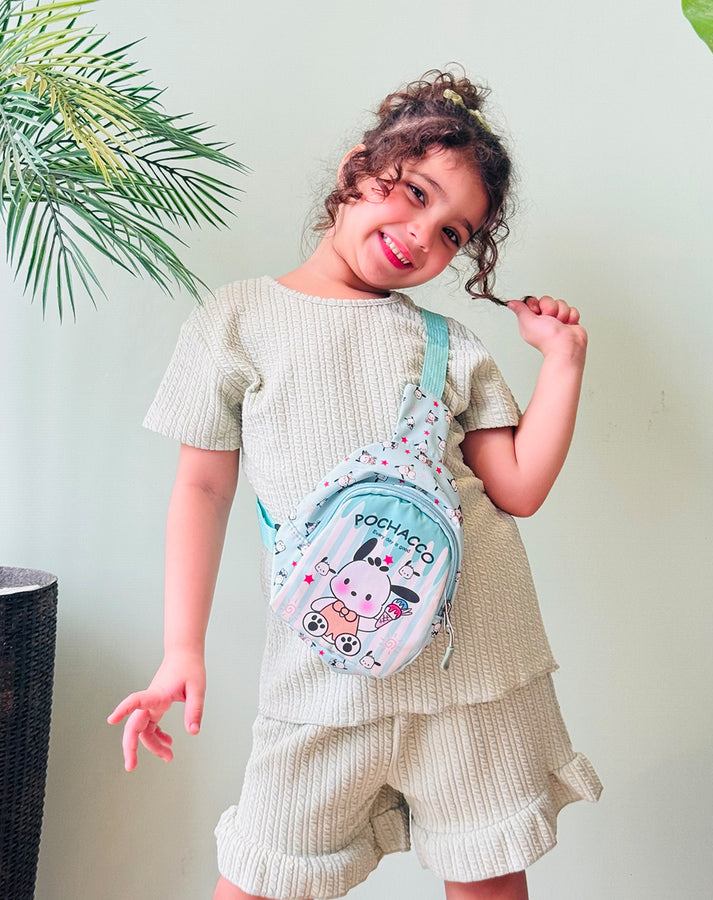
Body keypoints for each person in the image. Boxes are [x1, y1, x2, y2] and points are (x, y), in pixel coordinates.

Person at [108, 69, 602, 900]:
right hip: (322, 672)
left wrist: (564, 362)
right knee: (264, 873)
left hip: (469, 667)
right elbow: (201, 490)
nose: (421, 234)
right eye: (412, 192)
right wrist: (180, 650)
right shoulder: (235, 321)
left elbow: (515, 489)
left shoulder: (450, 344)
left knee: (486, 879)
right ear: (356, 168)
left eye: (453, 233)